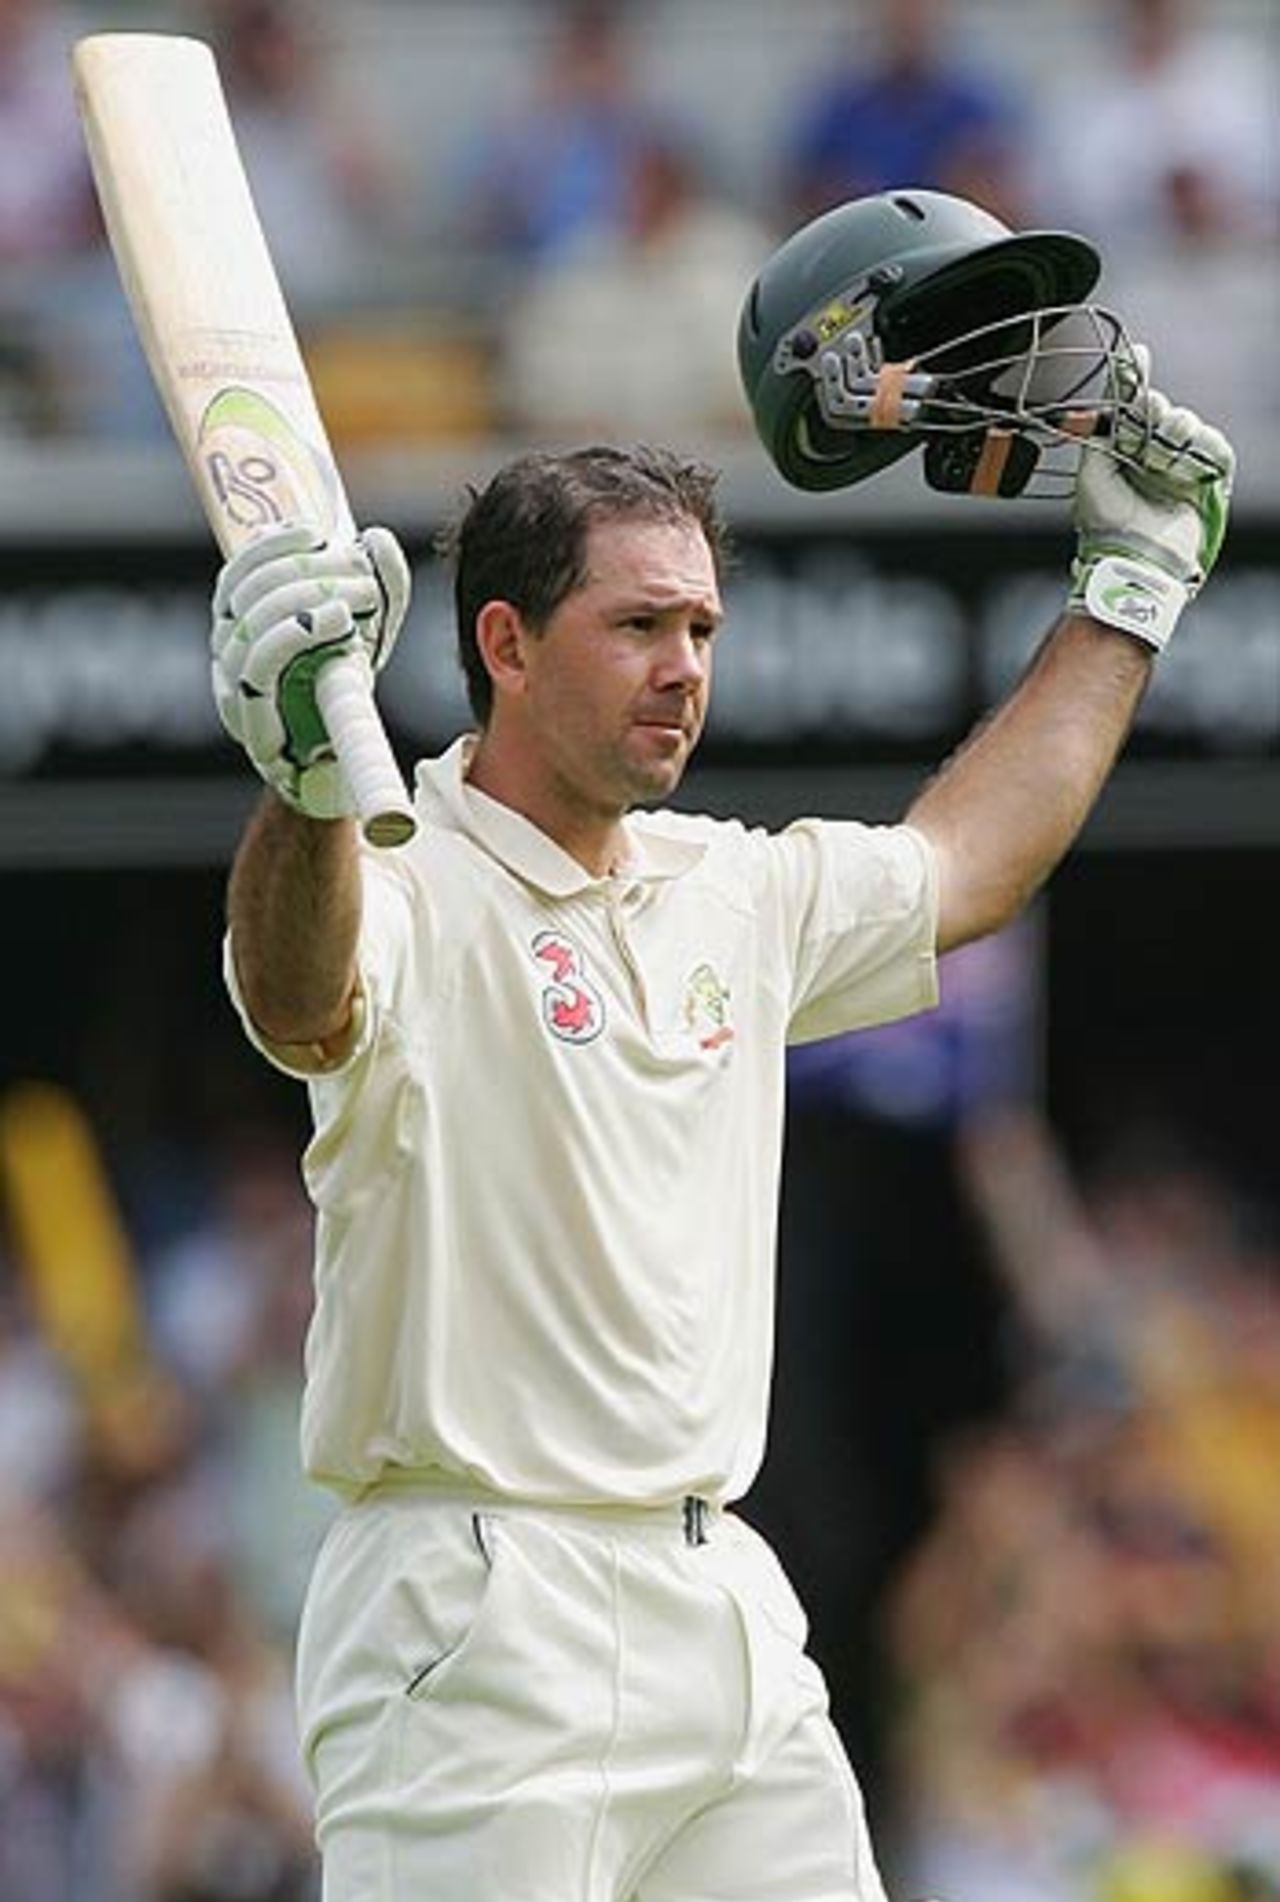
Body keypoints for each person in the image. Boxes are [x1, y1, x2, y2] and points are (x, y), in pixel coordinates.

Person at [207, 204, 1234, 1897]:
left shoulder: (732, 890)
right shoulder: (397, 865)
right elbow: (302, 992)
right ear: (508, 644)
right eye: (637, 628)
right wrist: (306, 784)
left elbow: (965, 864)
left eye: (700, 628)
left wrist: (1126, 593)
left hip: (720, 1597)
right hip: (472, 1609)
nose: (684, 668)